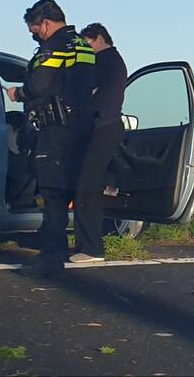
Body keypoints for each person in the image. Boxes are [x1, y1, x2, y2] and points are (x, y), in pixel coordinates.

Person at [6, 0, 96, 276]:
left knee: (52, 194)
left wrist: (17, 94)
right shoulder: (82, 45)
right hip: (81, 128)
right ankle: (62, 251)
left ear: (44, 23)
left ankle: (51, 258)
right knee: (68, 190)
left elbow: (39, 85)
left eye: (34, 30)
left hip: (55, 129)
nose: (34, 35)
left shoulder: (53, 47)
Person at [70, 23, 129, 264]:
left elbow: (86, 91)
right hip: (108, 128)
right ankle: (89, 245)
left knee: (87, 187)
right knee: (88, 186)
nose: (85, 49)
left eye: (87, 43)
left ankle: (92, 248)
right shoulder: (115, 62)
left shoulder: (106, 60)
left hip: (102, 129)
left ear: (99, 39)